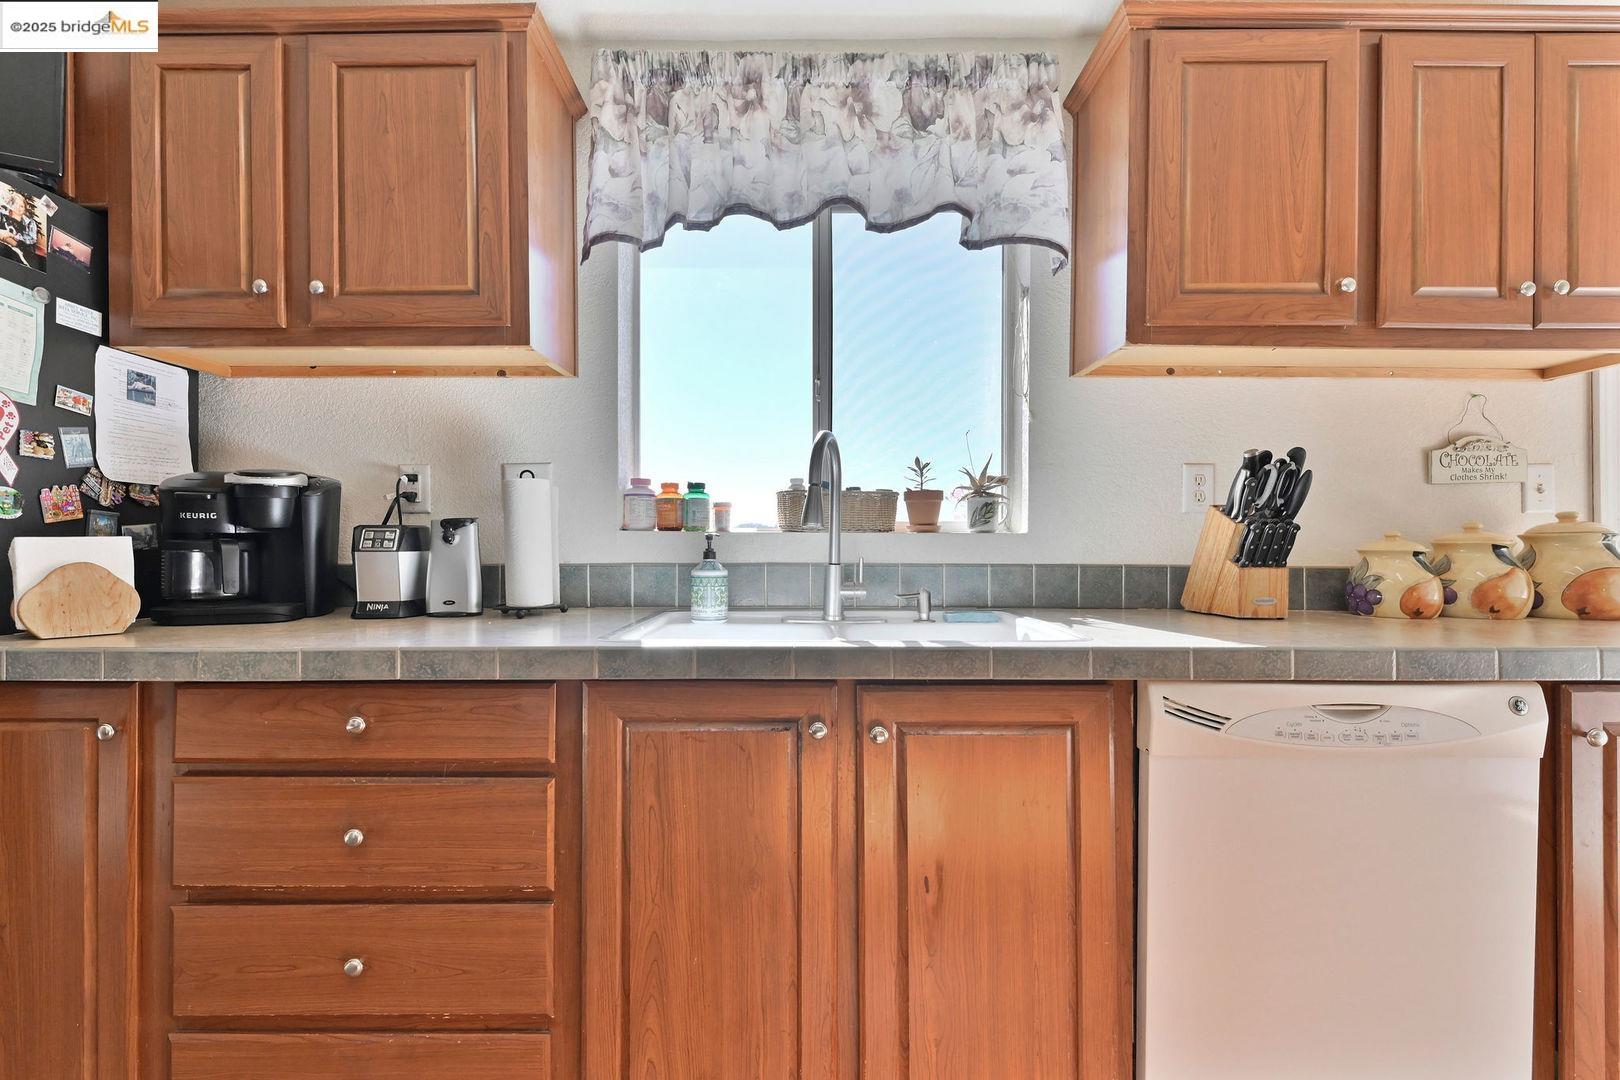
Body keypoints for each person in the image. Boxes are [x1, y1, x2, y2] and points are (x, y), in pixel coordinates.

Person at [0, 188, 42, 271]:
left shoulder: (30, 222)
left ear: (25, 209)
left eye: (22, 206)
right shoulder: (3, 214)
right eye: (16, 204)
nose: (19, 208)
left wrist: (13, 236)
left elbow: (32, 239)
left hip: (23, 249)